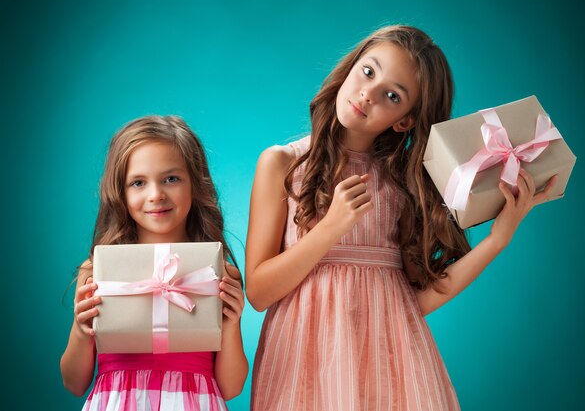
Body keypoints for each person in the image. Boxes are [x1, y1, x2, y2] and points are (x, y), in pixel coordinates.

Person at [245, 25, 557, 410]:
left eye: (391, 95)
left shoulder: (401, 189)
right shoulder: (281, 164)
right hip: (301, 370)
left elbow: (415, 303)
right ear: (351, 66)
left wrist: (497, 239)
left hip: (393, 372)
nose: (367, 93)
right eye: (368, 71)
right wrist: (330, 228)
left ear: (405, 121)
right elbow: (258, 293)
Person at [60, 116, 248, 410]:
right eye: (138, 183)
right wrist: (81, 330)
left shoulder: (216, 273)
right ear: (120, 193)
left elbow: (231, 387)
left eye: (171, 179)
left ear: (195, 184)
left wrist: (233, 323)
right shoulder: (97, 271)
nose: (156, 195)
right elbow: (73, 382)